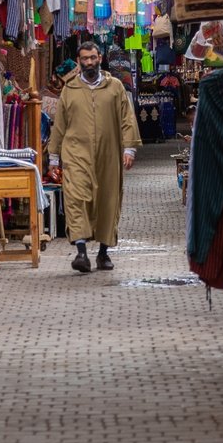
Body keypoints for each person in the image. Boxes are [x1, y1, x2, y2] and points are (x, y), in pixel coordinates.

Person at [47, 39, 141, 273]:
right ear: (78, 62)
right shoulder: (70, 89)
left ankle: (103, 253)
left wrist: (129, 148)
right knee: (76, 198)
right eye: (85, 59)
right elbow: (59, 125)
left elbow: (127, 118)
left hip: (109, 155)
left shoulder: (115, 87)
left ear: (100, 59)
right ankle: (80, 252)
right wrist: (53, 157)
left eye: (93, 58)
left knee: (107, 201)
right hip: (76, 154)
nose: (89, 62)